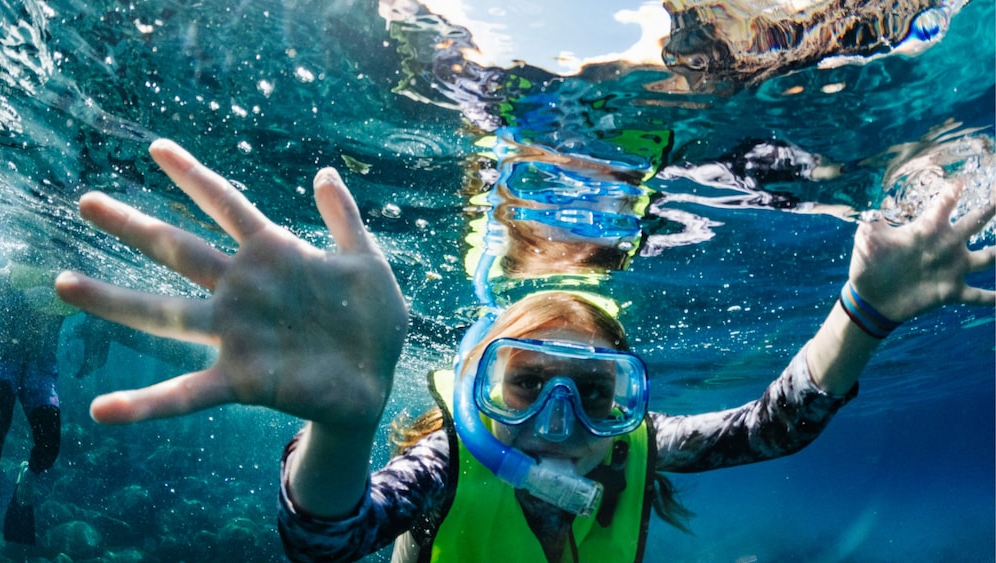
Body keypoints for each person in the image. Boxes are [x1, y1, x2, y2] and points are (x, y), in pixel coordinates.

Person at [54, 140, 993, 562]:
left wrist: (867, 310)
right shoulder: (448, 466)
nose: (561, 426)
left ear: (630, 402)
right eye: (527, 384)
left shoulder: (631, 448)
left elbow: (770, 426)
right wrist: (342, 423)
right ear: (472, 392)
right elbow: (323, 538)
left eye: (595, 395)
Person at [0, 261, 72, 544]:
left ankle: (24, 481)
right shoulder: (11, 267)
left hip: (41, 373)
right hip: (3, 364)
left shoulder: (73, 277)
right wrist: (23, 298)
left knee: (49, 447)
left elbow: (98, 305)